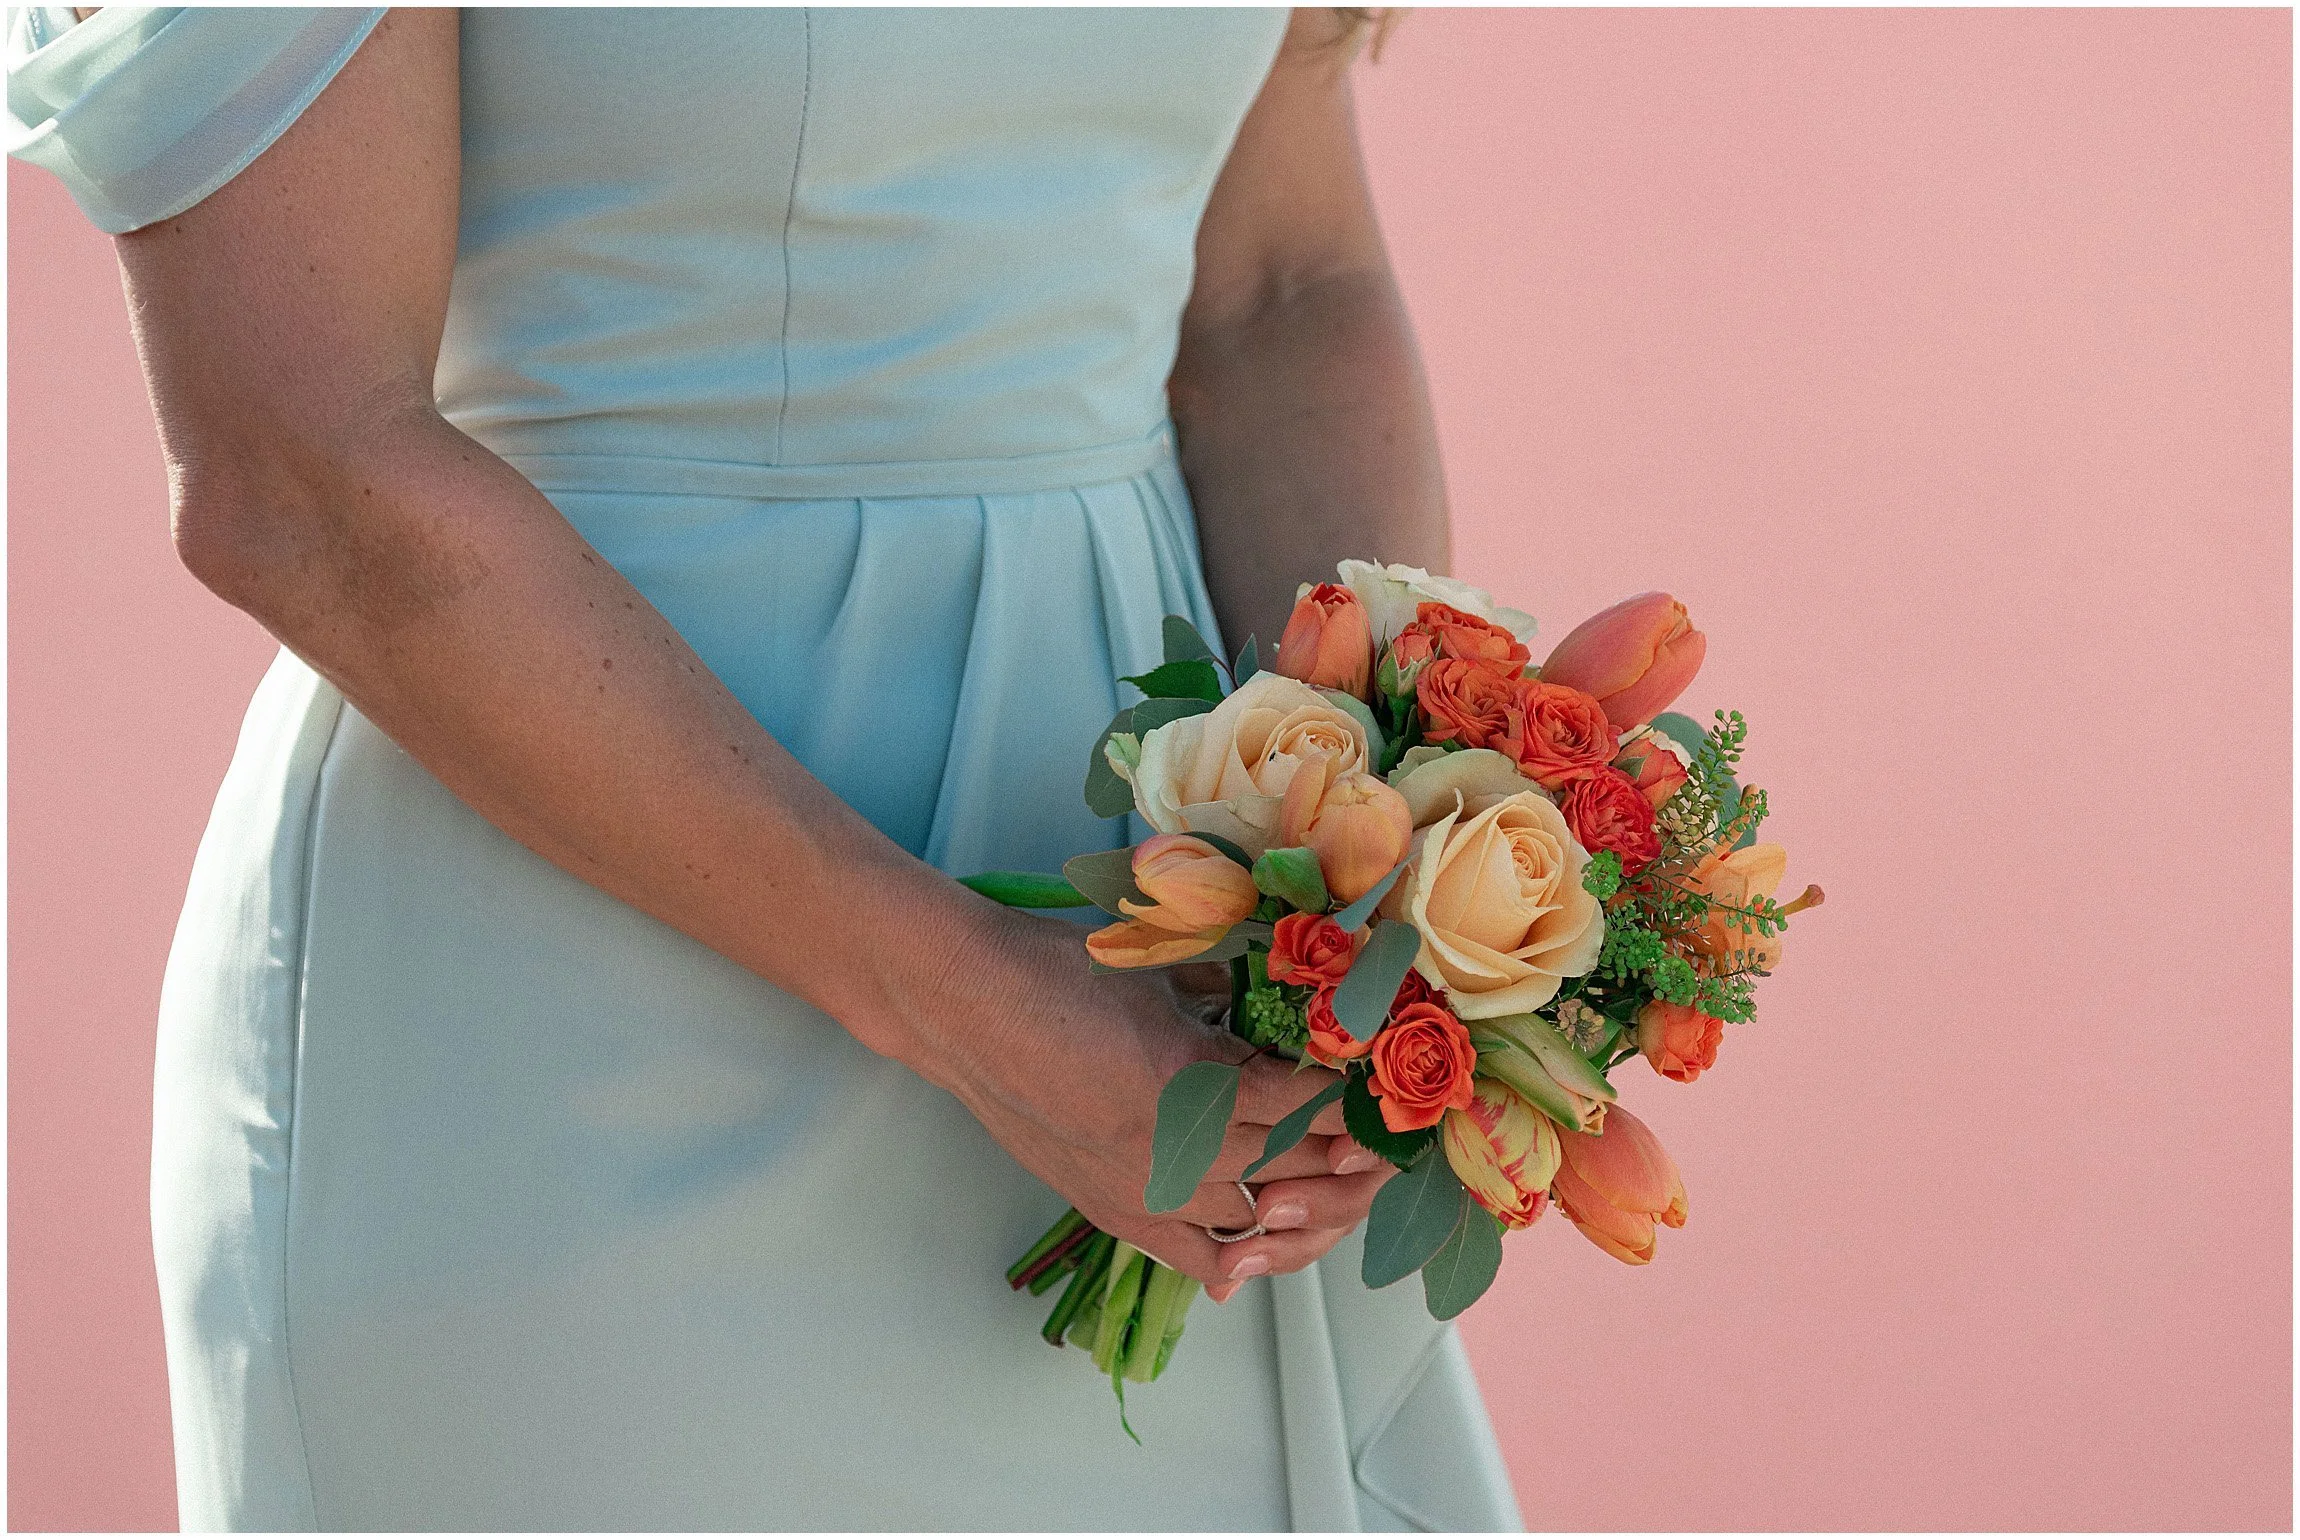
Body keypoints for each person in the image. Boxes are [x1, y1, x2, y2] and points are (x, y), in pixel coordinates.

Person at [8, 5, 1524, 1530]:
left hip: (1171, 990)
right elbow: (300, 470)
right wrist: (989, 1014)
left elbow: (1277, 295)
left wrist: (1377, 852)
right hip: (579, 1037)